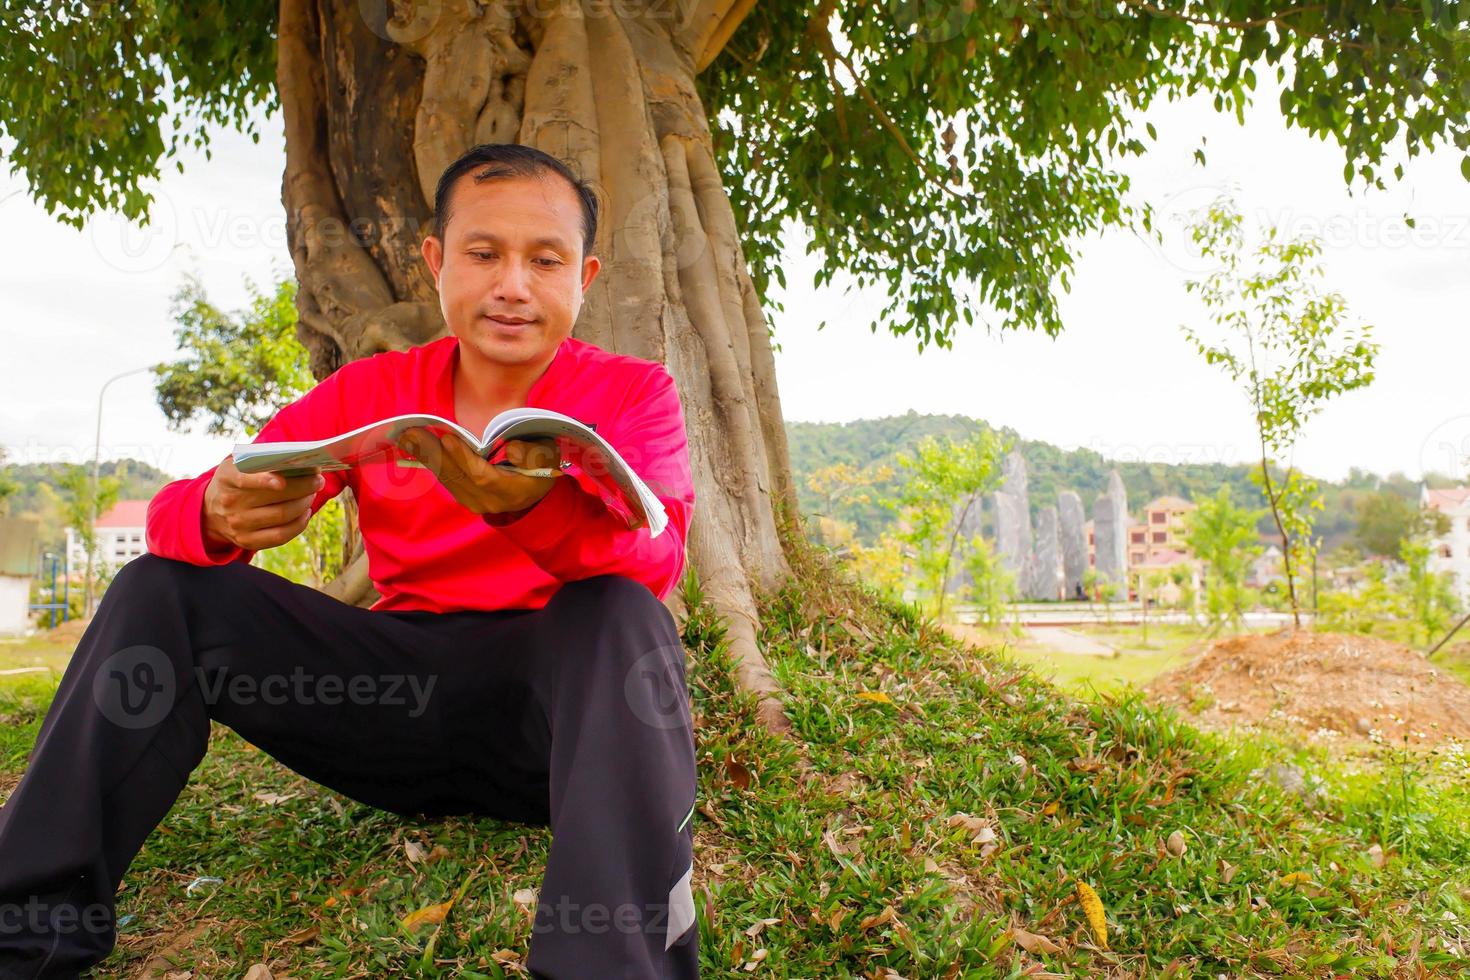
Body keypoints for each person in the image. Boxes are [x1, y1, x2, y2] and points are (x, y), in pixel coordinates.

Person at [0, 144, 699, 979]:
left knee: (619, 612)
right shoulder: (376, 390)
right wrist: (215, 514)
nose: (513, 284)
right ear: (436, 262)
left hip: (551, 732)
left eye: (544, 261)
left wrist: (537, 508)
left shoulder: (632, 393)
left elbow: (659, 560)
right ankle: (27, 929)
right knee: (164, 588)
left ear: (582, 278)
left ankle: (611, 967)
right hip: (391, 704)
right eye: (484, 254)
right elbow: (194, 502)